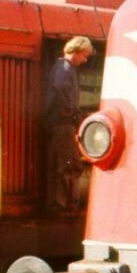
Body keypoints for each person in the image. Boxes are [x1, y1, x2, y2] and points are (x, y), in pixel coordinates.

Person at [45, 36, 95, 212]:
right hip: (64, 125)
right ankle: (64, 206)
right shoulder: (65, 69)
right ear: (76, 51)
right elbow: (61, 88)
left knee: (66, 163)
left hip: (60, 124)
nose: (85, 59)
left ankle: (62, 204)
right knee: (68, 164)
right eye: (84, 55)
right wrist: (72, 111)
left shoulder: (62, 67)